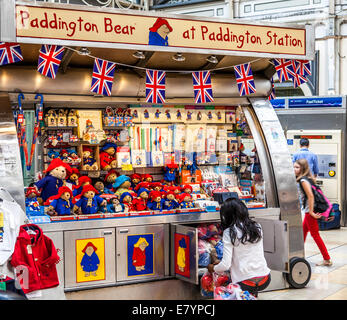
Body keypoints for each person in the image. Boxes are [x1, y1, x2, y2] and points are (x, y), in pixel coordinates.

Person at [207, 198, 271, 297]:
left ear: (227, 216)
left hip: (244, 283)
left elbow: (226, 265)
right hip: (265, 278)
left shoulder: (229, 232)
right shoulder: (257, 227)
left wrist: (213, 268)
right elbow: (248, 255)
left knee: (222, 281)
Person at [294, 159, 332, 266]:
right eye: (294, 167)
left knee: (315, 235)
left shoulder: (303, 181)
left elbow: (310, 196)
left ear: (303, 168)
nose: (294, 169)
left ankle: (327, 259)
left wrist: (310, 212)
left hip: (310, 212)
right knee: (303, 232)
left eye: (297, 167)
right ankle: (298, 254)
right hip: (309, 211)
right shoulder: (308, 179)